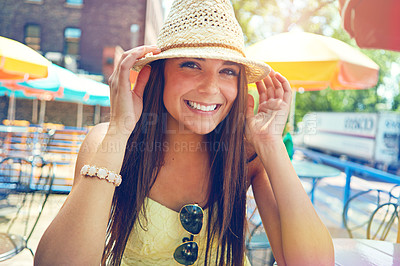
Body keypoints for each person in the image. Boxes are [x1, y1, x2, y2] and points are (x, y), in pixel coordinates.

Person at [34, 0, 334, 265]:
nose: (211, 88)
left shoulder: (248, 154)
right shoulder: (109, 142)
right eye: (191, 65)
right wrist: (119, 129)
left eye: (228, 70)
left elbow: (314, 263)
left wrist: (271, 145)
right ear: (158, 73)